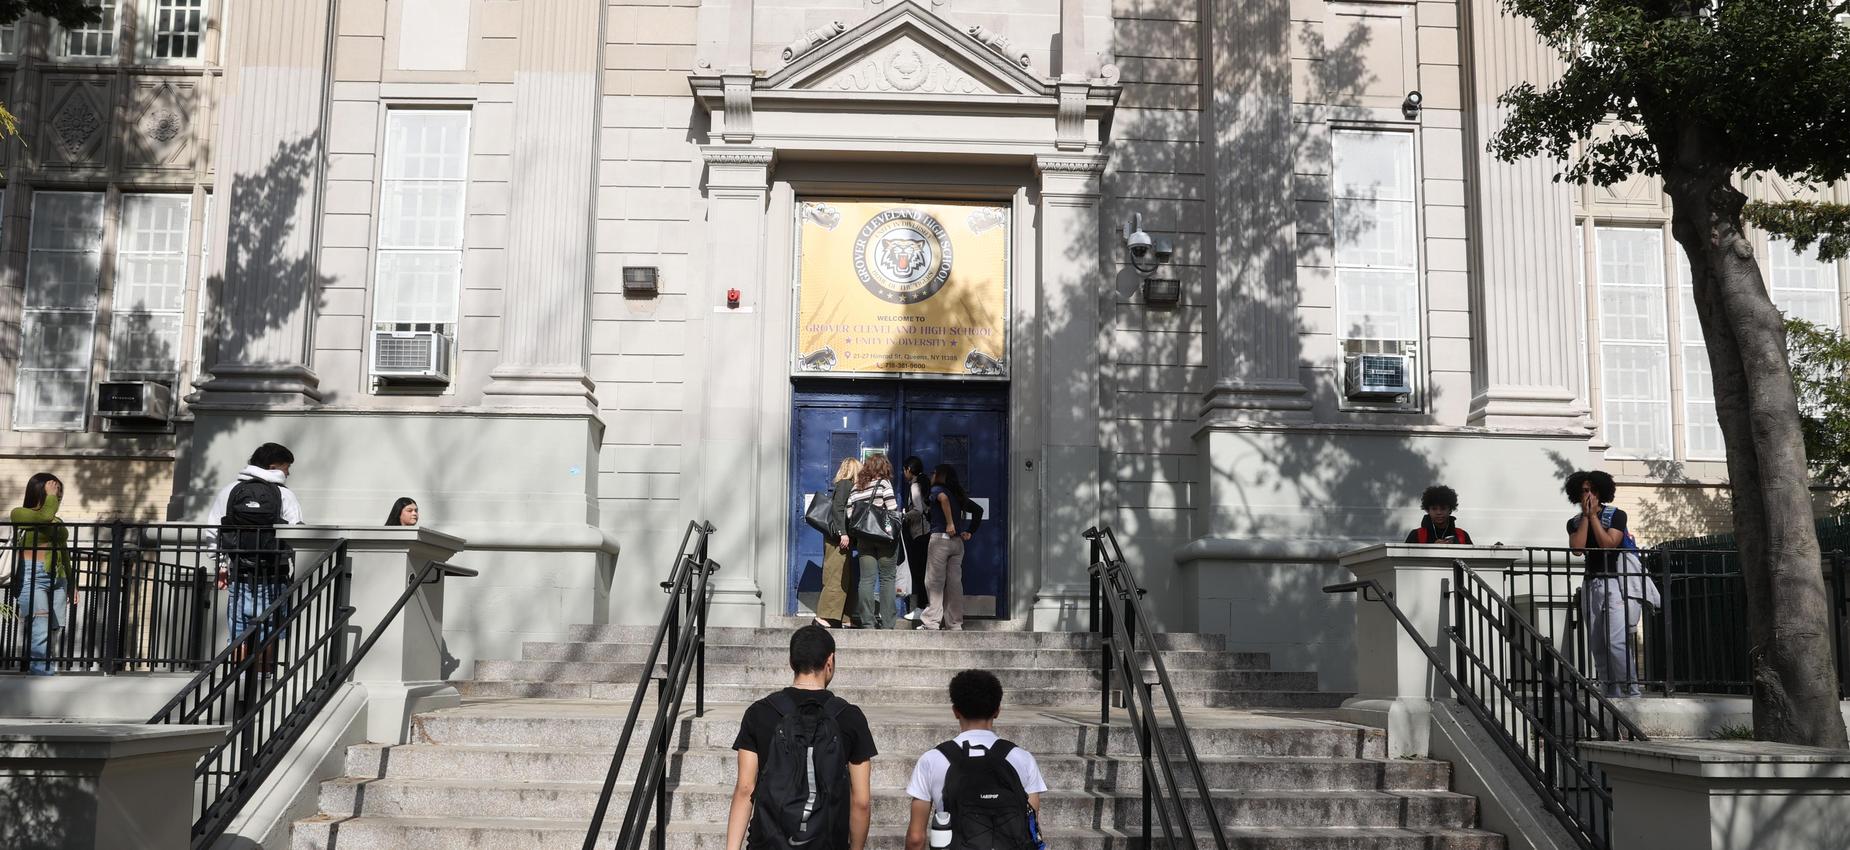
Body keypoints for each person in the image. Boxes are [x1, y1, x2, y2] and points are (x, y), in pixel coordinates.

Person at [725, 625, 875, 850]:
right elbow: (861, 802)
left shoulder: (760, 712)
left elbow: (745, 788)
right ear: (830, 661)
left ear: (791, 662)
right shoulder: (850, 717)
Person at [904, 669, 1047, 850]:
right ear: (997, 711)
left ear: (956, 711)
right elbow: (1030, 827)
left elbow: (916, 837)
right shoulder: (1022, 758)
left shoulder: (932, 760)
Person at [206, 443, 305, 659]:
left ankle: (239, 679)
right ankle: (263, 681)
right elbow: (297, 534)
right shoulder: (284, 494)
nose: (288, 472)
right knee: (270, 630)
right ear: (273, 467)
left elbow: (213, 531)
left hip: (239, 573)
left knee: (239, 631)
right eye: (286, 467)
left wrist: (221, 565)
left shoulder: (230, 491)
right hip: (274, 573)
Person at [1565, 469, 1644, 698]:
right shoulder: (1574, 522)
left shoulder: (1616, 515)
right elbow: (1578, 549)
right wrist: (1586, 518)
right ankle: (1609, 687)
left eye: (1592, 490)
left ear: (1601, 492)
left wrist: (1593, 518)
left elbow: (1609, 543)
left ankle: (1630, 688)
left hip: (1614, 584)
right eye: (1583, 491)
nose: (1588, 495)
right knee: (1597, 641)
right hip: (1591, 583)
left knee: (1616, 640)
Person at [11, 473, 73, 675]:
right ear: (41, 491)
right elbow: (44, 517)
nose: (58, 497)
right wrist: (50, 498)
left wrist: (72, 584)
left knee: (54, 626)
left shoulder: (57, 519)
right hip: (32, 574)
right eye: (55, 492)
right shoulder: (20, 513)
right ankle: (41, 671)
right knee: (40, 622)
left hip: (58, 576)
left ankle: (45, 665)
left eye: (59, 494)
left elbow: (63, 551)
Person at [923, 464, 983, 632]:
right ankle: (954, 623)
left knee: (934, 581)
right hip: (957, 543)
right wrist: (970, 531)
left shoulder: (937, 489)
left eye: (933, 472)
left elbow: (942, 498)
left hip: (940, 540)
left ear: (940, 475)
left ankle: (932, 622)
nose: (931, 475)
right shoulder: (958, 494)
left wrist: (949, 523)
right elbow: (978, 510)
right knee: (954, 584)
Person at [848, 454, 901, 630]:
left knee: (866, 580)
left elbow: (850, 514)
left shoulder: (856, 487)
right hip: (885, 538)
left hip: (864, 538)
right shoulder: (884, 484)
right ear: (883, 467)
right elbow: (892, 510)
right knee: (887, 579)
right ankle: (887, 624)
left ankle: (868, 623)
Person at [816, 457, 861, 628]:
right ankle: (824, 617)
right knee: (835, 576)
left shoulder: (845, 485)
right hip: (837, 539)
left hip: (840, 539)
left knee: (844, 577)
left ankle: (845, 617)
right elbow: (838, 508)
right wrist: (843, 533)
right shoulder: (845, 485)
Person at [900, 456, 931, 622]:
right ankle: (925, 606)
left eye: (904, 469)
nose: (903, 473)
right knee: (924, 572)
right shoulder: (924, 482)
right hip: (926, 533)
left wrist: (904, 516)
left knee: (919, 573)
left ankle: (921, 607)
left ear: (908, 470)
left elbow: (918, 509)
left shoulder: (914, 485)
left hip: (919, 534)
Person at [1405, 485, 1473, 544]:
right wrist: (1433, 549)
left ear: (1450, 510)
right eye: (1434, 509)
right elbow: (1405, 558)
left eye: (1443, 508)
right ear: (1428, 510)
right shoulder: (1415, 535)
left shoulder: (1462, 535)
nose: (1439, 512)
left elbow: (1472, 558)